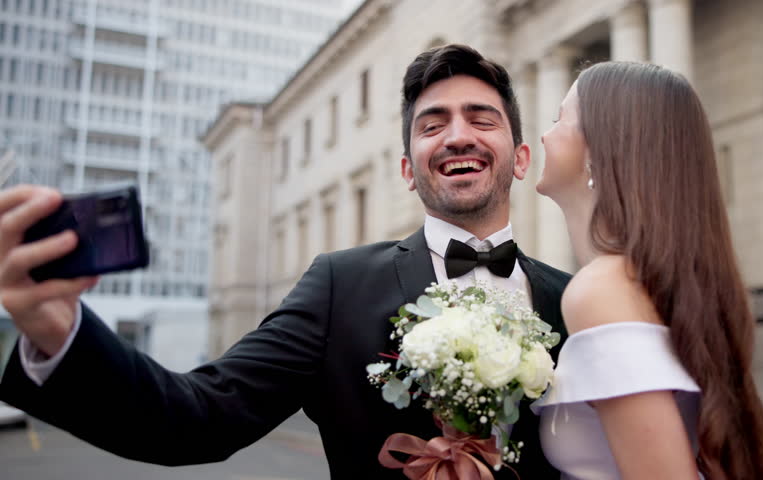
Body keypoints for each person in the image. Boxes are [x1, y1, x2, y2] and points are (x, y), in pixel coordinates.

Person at [0, 44, 570, 479]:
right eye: (432, 124)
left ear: (520, 158)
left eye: (482, 118)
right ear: (406, 169)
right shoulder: (336, 286)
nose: (457, 136)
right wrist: (58, 328)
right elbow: (196, 418)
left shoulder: (574, 302)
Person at [532, 61, 763, 479]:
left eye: (560, 119)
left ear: (599, 147)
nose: (544, 134)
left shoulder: (601, 291)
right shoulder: (652, 283)